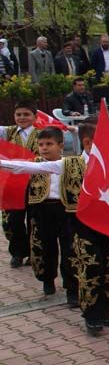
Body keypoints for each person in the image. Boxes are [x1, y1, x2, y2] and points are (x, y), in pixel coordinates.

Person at [2, 127, 77, 300]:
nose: (44, 148)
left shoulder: (72, 163)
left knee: (70, 249)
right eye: (41, 144)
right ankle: (47, 279)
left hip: (66, 210)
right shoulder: (33, 163)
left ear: (60, 145)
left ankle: (72, 288)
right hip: (41, 210)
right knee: (43, 247)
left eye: (49, 144)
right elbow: (17, 168)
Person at [1, 101, 39, 267]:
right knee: (12, 221)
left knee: (34, 220)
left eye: (26, 114)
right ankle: (17, 252)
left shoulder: (42, 134)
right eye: (19, 115)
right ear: (14, 116)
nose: (22, 118)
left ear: (34, 117)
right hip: (13, 185)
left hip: (34, 184)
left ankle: (33, 253)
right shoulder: (7, 132)